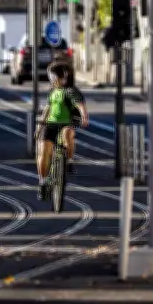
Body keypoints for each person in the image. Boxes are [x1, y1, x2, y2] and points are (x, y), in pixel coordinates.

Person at [35, 61, 89, 201]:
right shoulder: (52, 91)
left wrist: (84, 116)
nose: (52, 80)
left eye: (53, 77)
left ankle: (69, 160)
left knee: (67, 134)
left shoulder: (70, 91)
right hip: (51, 124)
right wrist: (40, 125)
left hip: (67, 123)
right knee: (44, 150)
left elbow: (79, 104)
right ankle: (43, 181)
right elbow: (47, 108)